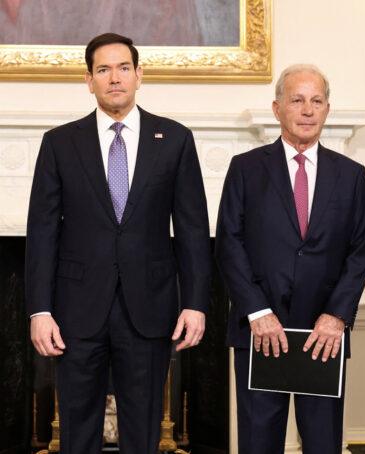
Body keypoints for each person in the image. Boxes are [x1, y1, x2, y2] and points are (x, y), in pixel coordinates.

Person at [25, 33, 211, 453]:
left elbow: (192, 230)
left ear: (139, 75)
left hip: (150, 308)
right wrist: (40, 310)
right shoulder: (59, 143)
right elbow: (42, 233)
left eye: (123, 68)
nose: (115, 78)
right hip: (75, 312)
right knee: (76, 432)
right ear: (88, 80)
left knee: (143, 433)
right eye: (104, 70)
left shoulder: (175, 139)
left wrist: (196, 303)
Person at [215, 64, 365, 453]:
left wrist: (336, 317)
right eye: (297, 100)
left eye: (316, 101)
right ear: (277, 108)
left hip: (324, 336)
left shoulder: (352, 175)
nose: (307, 110)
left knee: (323, 443)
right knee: (258, 443)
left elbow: (359, 253)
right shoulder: (246, 168)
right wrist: (257, 312)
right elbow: (229, 244)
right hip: (260, 331)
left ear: (327, 109)